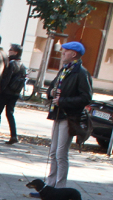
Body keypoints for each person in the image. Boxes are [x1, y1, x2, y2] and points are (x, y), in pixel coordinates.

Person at [38, 40, 93, 190]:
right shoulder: (64, 70)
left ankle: (60, 188)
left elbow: (86, 98)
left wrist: (63, 100)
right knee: (53, 152)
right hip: (58, 114)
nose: (62, 54)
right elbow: (51, 88)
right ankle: (49, 186)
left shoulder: (81, 73)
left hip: (69, 116)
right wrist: (52, 93)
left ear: (73, 54)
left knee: (61, 153)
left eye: (65, 52)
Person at [0, 43, 27, 145]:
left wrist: (0, 90)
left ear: (16, 52)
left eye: (11, 49)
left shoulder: (11, 63)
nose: (9, 51)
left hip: (6, 92)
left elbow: (6, 79)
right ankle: (14, 135)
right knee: (10, 113)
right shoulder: (22, 65)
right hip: (15, 93)